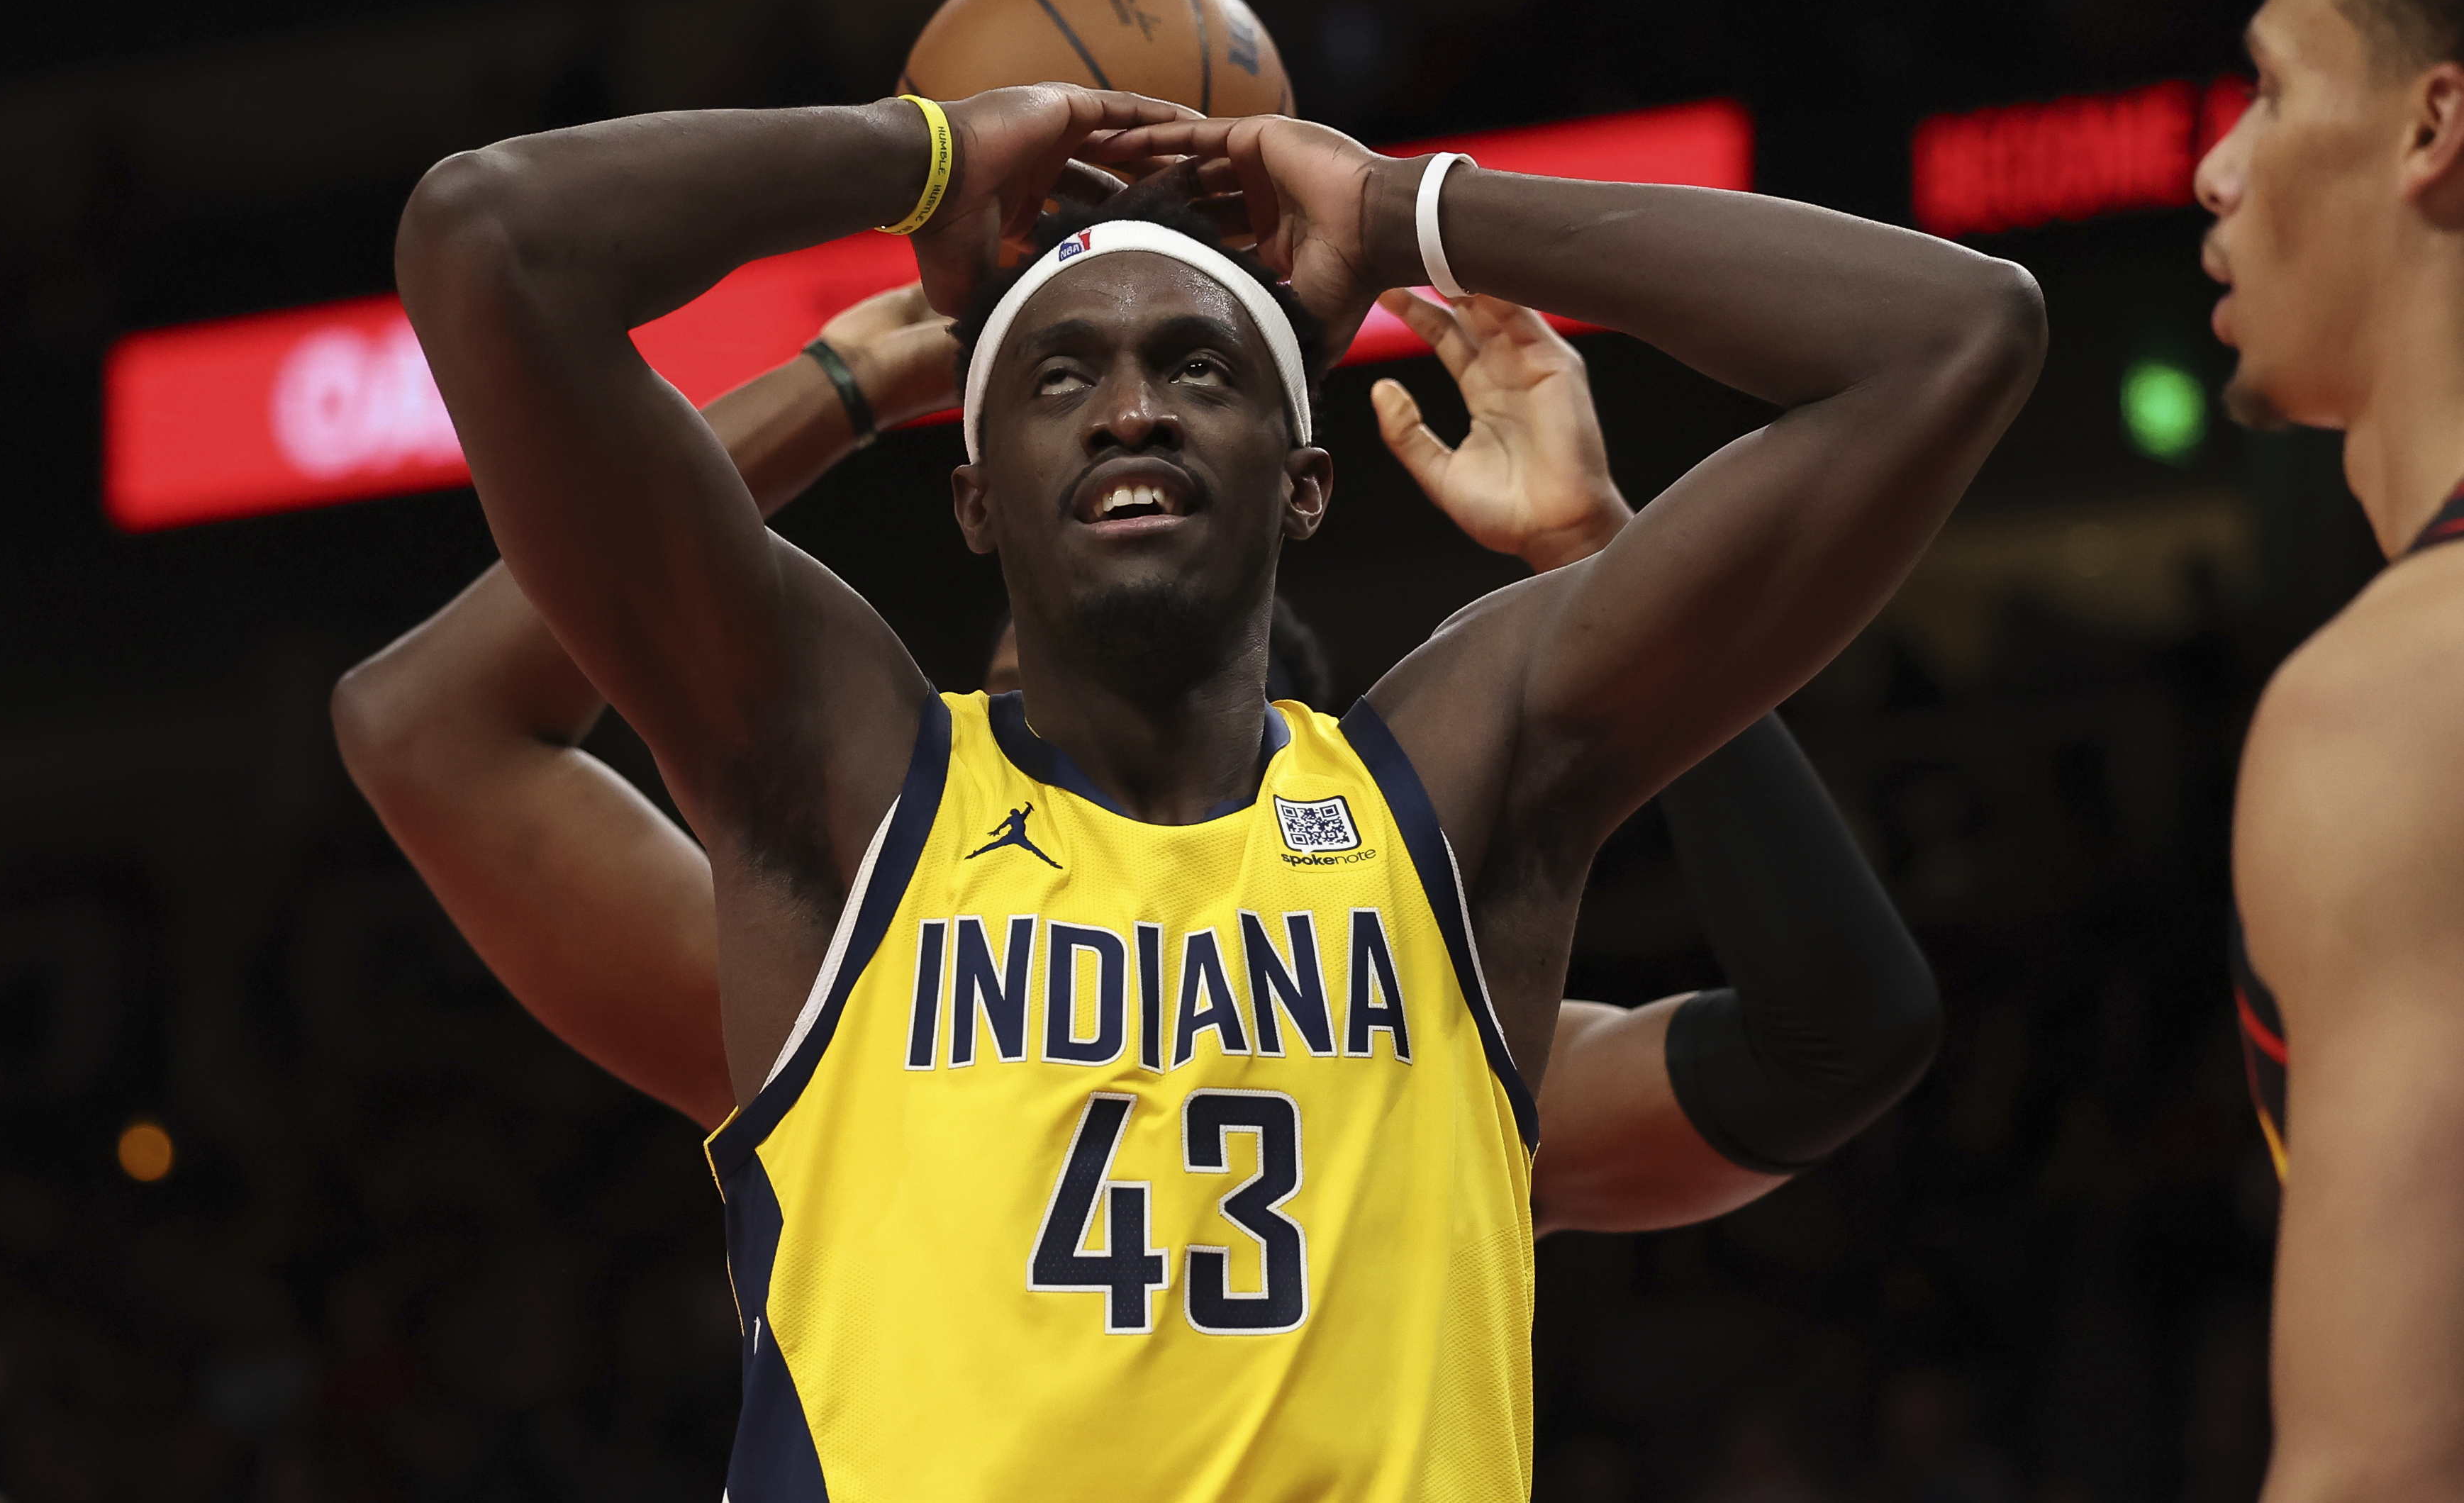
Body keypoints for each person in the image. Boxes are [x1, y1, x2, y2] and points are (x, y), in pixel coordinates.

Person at [388, 82, 2039, 1498]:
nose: (1128, 408)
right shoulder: (842, 797)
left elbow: (1954, 336)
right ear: (974, 499)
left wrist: (1409, 214)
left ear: (1305, 481)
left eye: (1199, 367)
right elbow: (489, 238)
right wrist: (929, 160)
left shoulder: (1456, 792)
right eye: (1058, 375)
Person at [335, 275, 1944, 1232]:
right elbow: (422, 726)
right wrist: (841, 386)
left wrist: (1605, 563)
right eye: (1007, 715)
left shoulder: (1428, 1009)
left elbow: (1833, 1044)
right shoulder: (842, 974)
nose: (1015, 752)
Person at [2195, 0, 2464, 1496]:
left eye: (2270, 91)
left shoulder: (2399, 704)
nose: (2220, 168)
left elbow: (2384, 1470)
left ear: (2435, 127)